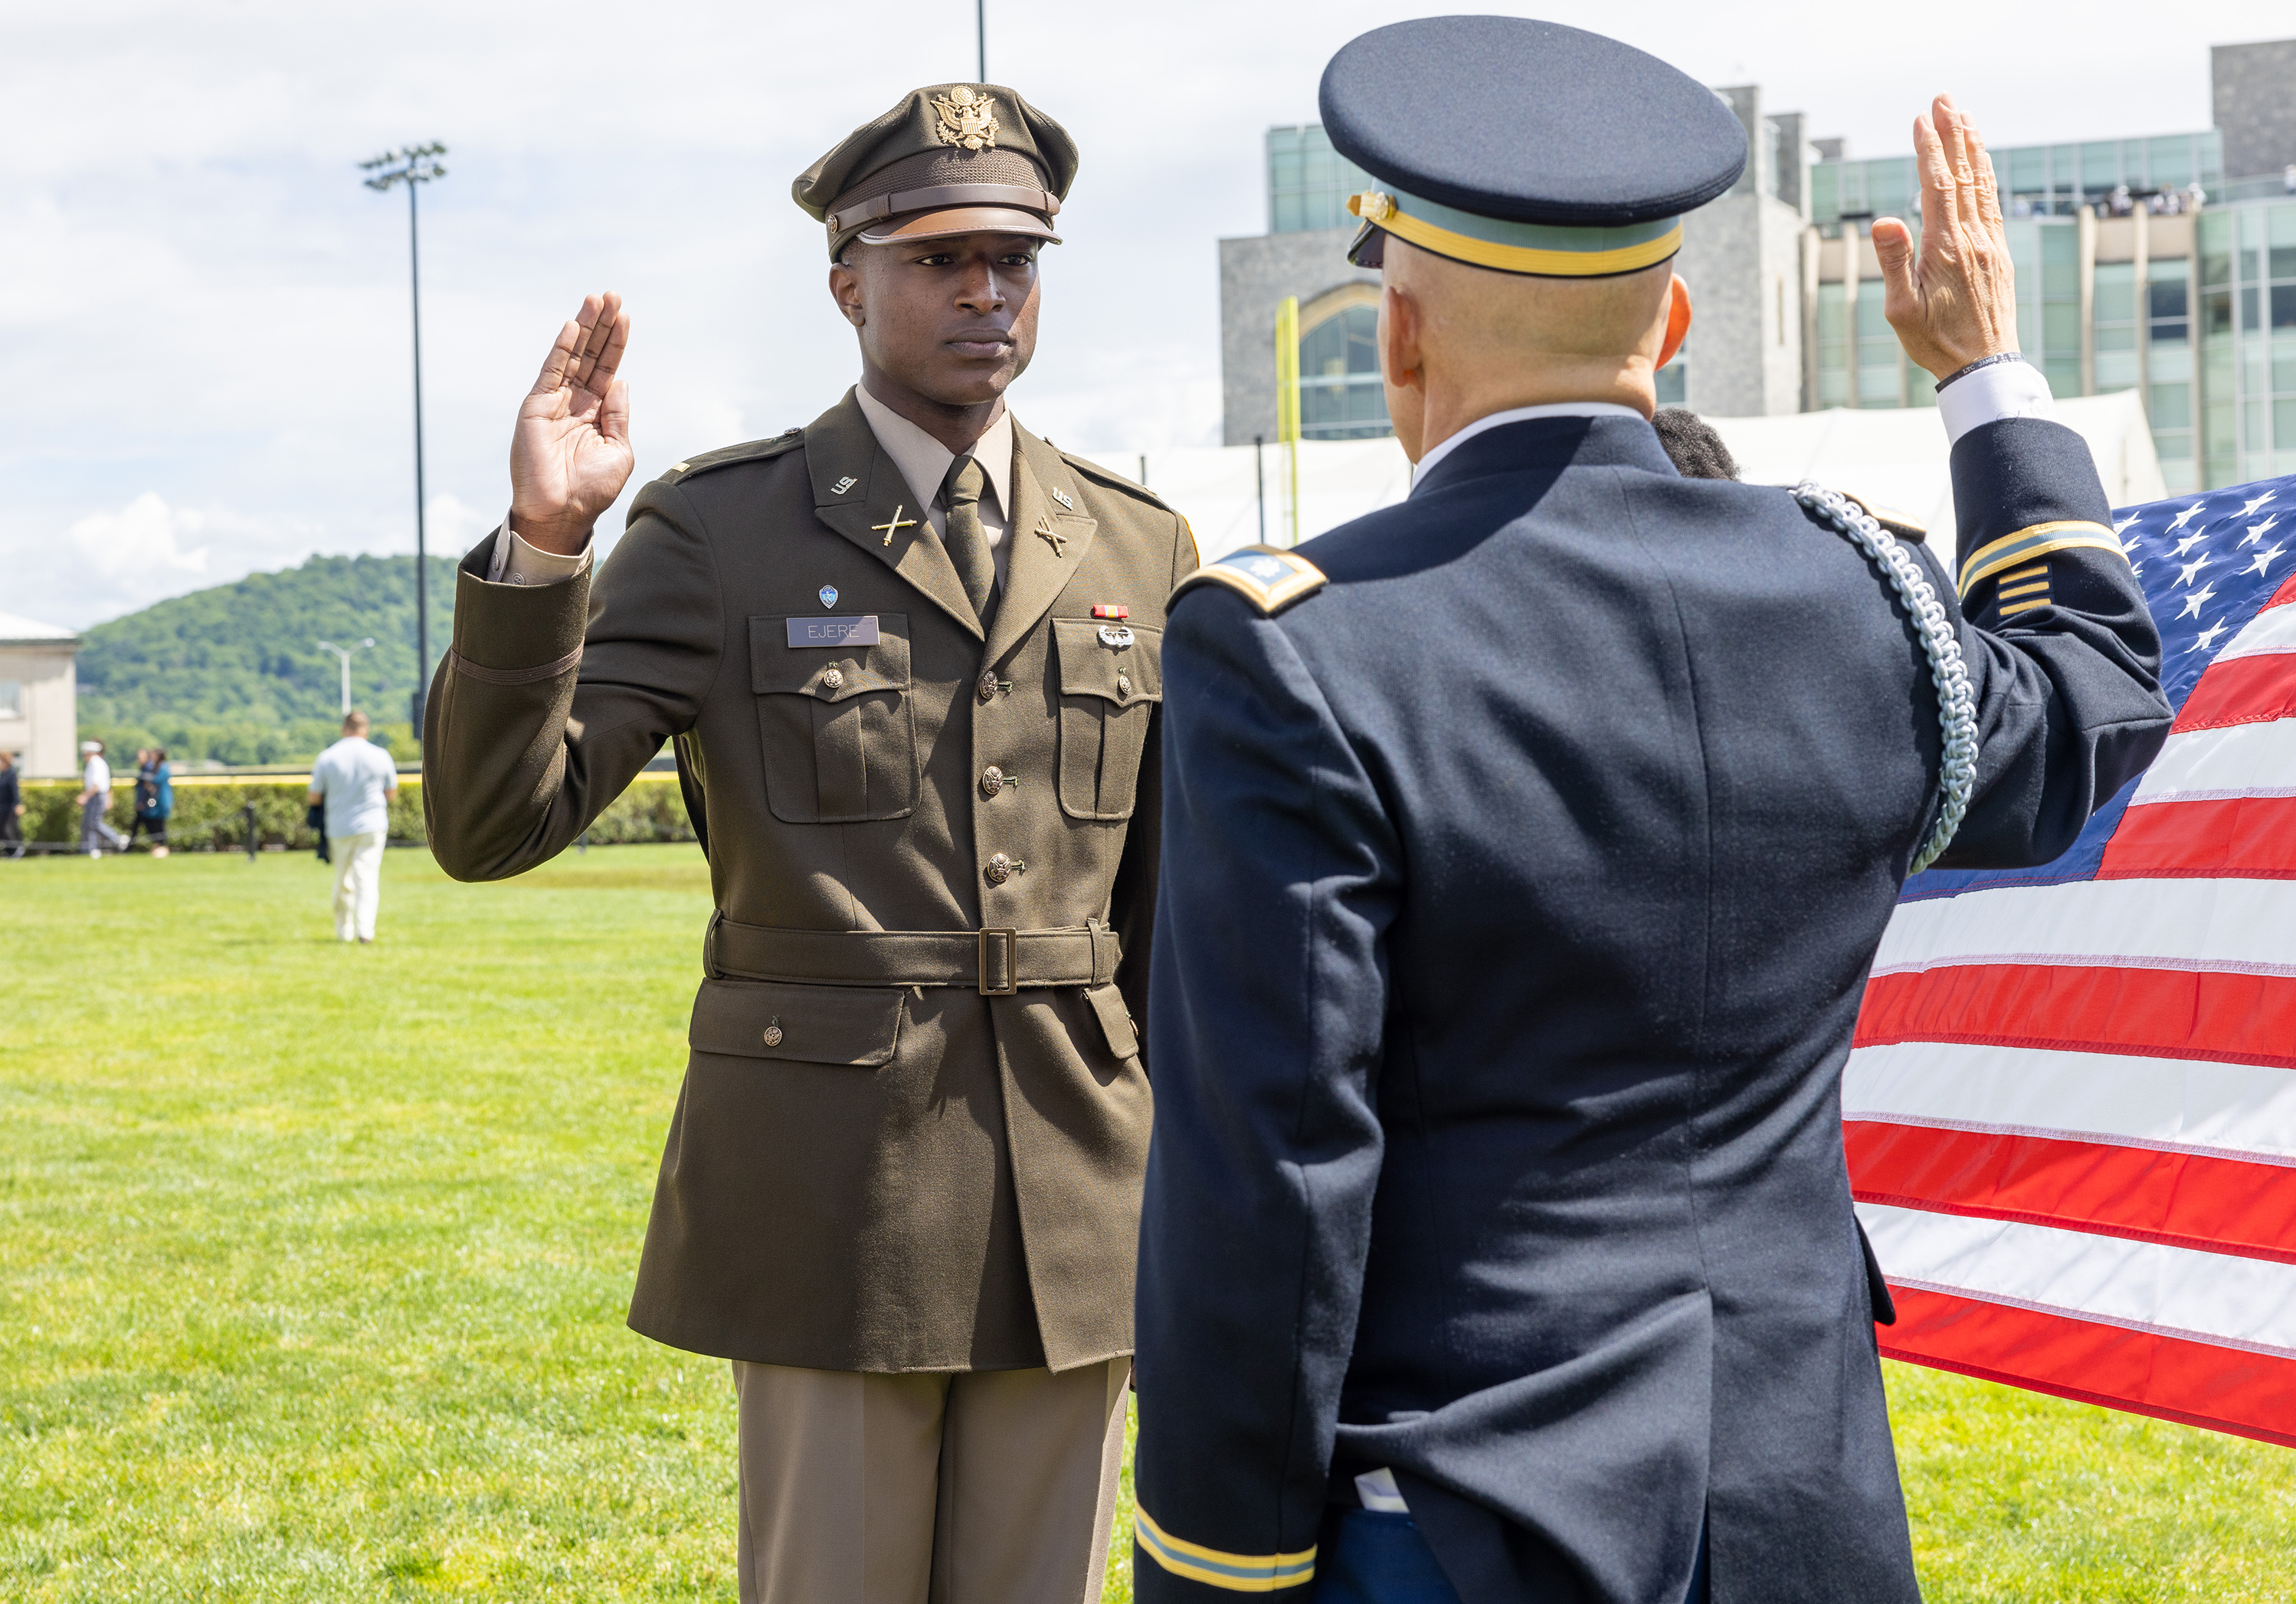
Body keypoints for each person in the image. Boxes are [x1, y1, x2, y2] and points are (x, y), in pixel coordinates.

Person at [1132, 19, 2173, 1604]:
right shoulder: (1860, 597)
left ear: (1396, 336)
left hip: (1467, 1520)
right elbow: (2093, 695)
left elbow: (1269, 1174)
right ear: (1673, 321)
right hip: (1800, 1503)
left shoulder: (1297, 645)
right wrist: (1981, 374)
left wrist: (1220, 1562)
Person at [420, 83, 1194, 1604]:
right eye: (938, 258)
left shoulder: (1135, 543)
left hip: (1079, 1195)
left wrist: (1203, 1193)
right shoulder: (724, 532)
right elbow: (493, 822)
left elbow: (1172, 915)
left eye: (1016, 261)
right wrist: (547, 545)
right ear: (847, 279)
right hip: (841, 1196)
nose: (986, 293)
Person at [309, 711, 398, 943]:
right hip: (373, 826)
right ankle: (365, 931)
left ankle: (344, 930)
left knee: (343, 879)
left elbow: (314, 797)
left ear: (343, 729)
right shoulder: (381, 756)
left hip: (339, 827)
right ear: (366, 729)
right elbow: (391, 793)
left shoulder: (328, 757)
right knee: (367, 878)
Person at [77, 740, 126, 857]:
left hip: (96, 796)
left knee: (94, 823)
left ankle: (117, 839)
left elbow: (96, 785)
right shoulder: (95, 763)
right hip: (95, 796)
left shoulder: (95, 763)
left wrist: (84, 796)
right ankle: (91, 849)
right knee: (90, 824)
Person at [126, 748, 172, 856]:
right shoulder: (156, 766)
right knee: (153, 820)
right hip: (154, 801)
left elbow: (155, 780)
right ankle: (159, 845)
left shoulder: (163, 767)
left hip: (160, 801)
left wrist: (144, 779)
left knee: (158, 822)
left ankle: (161, 846)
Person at [0, 751, 24, 858]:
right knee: (1, 830)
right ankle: (9, 851)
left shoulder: (11, 773)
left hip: (10, 807)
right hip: (2, 807)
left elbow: (14, 790)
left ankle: (16, 851)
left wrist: (18, 804)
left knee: (10, 830)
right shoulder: (3, 774)